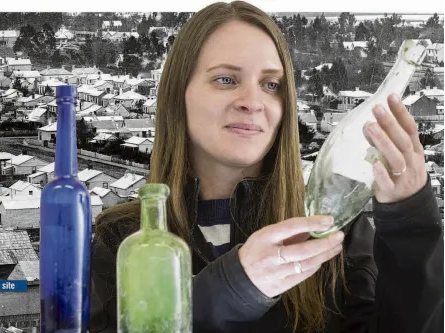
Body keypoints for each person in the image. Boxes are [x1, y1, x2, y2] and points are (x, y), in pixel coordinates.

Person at [89, 1, 443, 333]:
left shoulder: (334, 235)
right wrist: (231, 288)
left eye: (271, 85)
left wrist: (411, 225)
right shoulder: (124, 240)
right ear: (178, 93)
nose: (252, 102)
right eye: (226, 79)